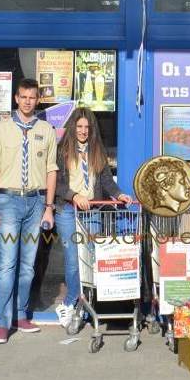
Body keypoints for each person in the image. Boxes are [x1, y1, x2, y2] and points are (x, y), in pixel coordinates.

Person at [0, 78, 58, 344]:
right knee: (6, 263)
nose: (28, 101)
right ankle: (1, 322)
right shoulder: (1, 130)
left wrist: (48, 208)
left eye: (32, 97)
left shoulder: (46, 130)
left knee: (28, 265)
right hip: (8, 202)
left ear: (38, 100)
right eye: (23, 97)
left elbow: (51, 170)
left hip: (36, 203)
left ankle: (21, 314)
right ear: (16, 98)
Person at [52, 107, 132, 329]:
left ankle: (84, 305)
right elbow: (56, 184)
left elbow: (106, 180)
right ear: (72, 127)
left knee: (89, 259)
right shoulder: (61, 151)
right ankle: (69, 303)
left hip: (93, 210)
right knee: (73, 260)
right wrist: (74, 196)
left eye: (87, 127)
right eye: (79, 126)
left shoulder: (97, 150)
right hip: (68, 210)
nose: (83, 131)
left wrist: (119, 194)